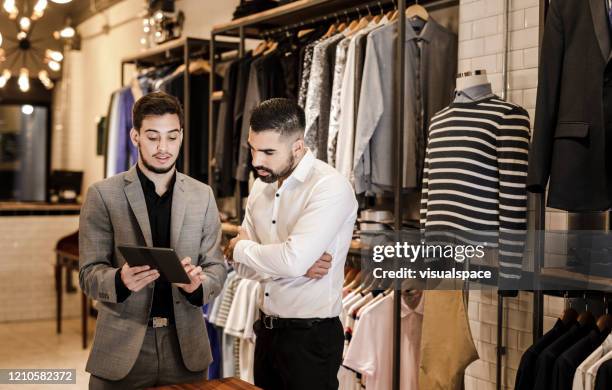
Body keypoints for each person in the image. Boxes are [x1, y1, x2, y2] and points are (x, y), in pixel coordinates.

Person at [79, 91, 226, 389]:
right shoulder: (103, 194)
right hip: (122, 349)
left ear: (182, 136)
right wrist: (119, 280)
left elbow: (216, 268)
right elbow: (88, 273)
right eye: (152, 137)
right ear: (135, 136)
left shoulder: (203, 195)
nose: (163, 147)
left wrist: (199, 286)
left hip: (185, 349)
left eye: (172, 137)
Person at [225, 98, 358, 390]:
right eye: (253, 148)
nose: (257, 161)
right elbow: (244, 271)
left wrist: (243, 249)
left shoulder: (329, 187)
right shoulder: (261, 185)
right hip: (266, 333)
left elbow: (284, 260)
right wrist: (287, 263)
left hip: (311, 340)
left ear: (297, 147)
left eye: (269, 152)